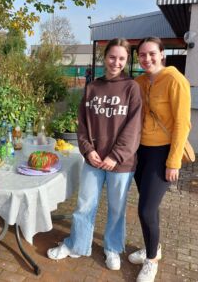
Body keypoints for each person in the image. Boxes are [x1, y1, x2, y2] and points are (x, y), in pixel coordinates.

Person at [47, 38, 142, 270]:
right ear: (104, 57)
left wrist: (115, 156)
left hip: (120, 163)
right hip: (93, 160)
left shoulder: (132, 88)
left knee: (117, 209)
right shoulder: (92, 87)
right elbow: (82, 125)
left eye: (121, 58)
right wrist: (88, 151)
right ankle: (77, 245)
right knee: (84, 205)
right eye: (112, 57)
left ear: (127, 60)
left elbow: (134, 127)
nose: (116, 62)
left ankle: (112, 248)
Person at [128, 37, 191, 282]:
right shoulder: (139, 81)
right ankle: (152, 247)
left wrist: (173, 161)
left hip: (162, 152)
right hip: (140, 152)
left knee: (146, 209)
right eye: (142, 55)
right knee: (148, 207)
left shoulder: (175, 80)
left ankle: (152, 260)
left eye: (152, 53)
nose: (147, 59)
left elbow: (182, 124)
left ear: (162, 54)